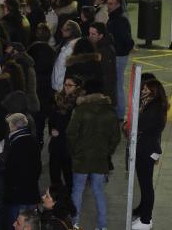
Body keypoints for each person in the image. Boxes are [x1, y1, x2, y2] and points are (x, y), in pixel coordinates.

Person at [66, 79, 121, 230]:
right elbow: (116, 137)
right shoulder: (110, 111)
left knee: (77, 190)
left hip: (81, 158)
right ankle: (102, 225)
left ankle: (74, 223)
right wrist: (107, 152)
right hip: (100, 159)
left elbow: (71, 134)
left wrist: (74, 151)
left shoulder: (80, 110)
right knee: (99, 191)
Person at [131, 78, 168, 230]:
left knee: (146, 186)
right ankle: (142, 210)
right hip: (145, 148)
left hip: (146, 151)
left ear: (153, 92)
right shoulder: (152, 105)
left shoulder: (154, 109)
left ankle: (146, 219)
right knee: (144, 183)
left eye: (146, 90)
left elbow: (140, 124)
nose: (142, 92)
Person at [3, 113, 41, 226]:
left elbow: (11, 170)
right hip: (31, 191)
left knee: (18, 223)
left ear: (14, 126)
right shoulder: (33, 141)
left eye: (10, 124)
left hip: (18, 195)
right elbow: (37, 167)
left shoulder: (16, 143)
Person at [48, 75, 83, 188]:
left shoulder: (78, 104)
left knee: (68, 172)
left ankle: (69, 195)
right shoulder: (58, 99)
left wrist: (61, 132)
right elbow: (52, 119)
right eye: (65, 85)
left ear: (76, 87)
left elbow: (76, 127)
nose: (66, 87)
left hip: (69, 144)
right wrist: (52, 129)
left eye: (70, 85)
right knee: (54, 170)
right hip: (56, 142)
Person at [107, 0, 134, 120]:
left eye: (111, 3)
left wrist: (121, 51)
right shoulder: (115, 17)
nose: (108, 6)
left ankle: (120, 113)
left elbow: (127, 40)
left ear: (118, 5)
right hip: (117, 54)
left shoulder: (120, 19)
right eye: (108, 3)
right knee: (116, 83)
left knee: (118, 84)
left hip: (118, 56)